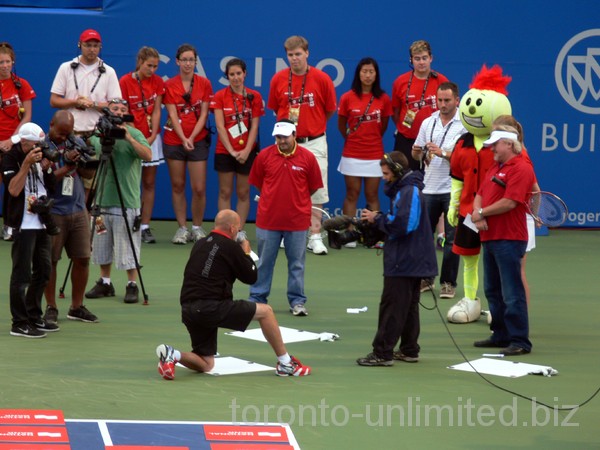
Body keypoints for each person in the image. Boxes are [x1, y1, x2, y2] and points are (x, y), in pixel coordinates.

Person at [155, 209, 311, 379]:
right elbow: (251, 277)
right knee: (266, 312)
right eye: (238, 228)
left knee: (207, 364)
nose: (238, 232)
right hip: (210, 307)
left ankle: (173, 355)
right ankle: (286, 364)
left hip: (188, 310)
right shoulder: (230, 246)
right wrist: (246, 253)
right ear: (231, 228)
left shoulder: (200, 244)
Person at [445, 64, 512, 324]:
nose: (472, 111)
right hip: (467, 213)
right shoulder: (462, 143)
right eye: (469, 104)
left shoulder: (504, 146)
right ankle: (471, 300)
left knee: (495, 262)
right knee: (468, 258)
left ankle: (498, 306)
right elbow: (457, 179)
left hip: (495, 215)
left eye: (478, 105)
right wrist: (453, 206)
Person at [357, 151, 437, 366]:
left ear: (398, 171)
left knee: (392, 306)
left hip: (405, 259)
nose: (383, 177)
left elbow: (403, 225)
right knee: (408, 307)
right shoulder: (407, 189)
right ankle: (409, 350)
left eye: (385, 173)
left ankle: (382, 353)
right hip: (412, 258)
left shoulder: (408, 191)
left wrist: (377, 218)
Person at [268, 35, 336, 255]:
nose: (294, 59)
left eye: (298, 54)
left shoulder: (322, 78)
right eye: (290, 55)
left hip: (314, 140)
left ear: (307, 53)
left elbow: (329, 110)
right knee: (284, 189)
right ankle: (284, 234)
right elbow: (274, 109)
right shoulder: (278, 79)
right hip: (286, 143)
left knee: (316, 189)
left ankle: (314, 236)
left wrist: (312, 125)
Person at [248, 120, 323, 316]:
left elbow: (313, 186)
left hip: (297, 222)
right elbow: (258, 182)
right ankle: (257, 298)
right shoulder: (264, 156)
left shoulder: (307, 158)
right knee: (264, 262)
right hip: (268, 220)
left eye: (285, 137)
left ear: (294, 135)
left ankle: (297, 302)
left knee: (297, 264)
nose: (281, 141)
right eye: (278, 137)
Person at [471, 127, 535, 356]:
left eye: (495, 144)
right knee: (492, 290)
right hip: (489, 237)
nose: (492, 149)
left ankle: (520, 341)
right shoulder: (494, 167)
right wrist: (478, 216)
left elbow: (510, 202)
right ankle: (500, 335)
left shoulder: (521, 168)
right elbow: (479, 194)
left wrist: (482, 212)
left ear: (509, 144)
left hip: (509, 238)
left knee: (512, 291)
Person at [84, 98, 151, 304]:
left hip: (127, 200)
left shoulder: (136, 134)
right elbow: (88, 149)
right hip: (103, 198)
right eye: (115, 109)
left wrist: (129, 137)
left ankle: (132, 284)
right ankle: (105, 282)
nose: (119, 113)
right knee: (102, 243)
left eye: (123, 110)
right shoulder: (99, 134)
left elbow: (147, 155)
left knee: (127, 245)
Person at [49, 29, 121, 197]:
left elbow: (116, 105)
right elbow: (54, 101)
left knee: (91, 183)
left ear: (100, 47)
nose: (92, 49)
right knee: (67, 179)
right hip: (69, 135)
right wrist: (75, 102)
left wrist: (92, 104)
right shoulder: (66, 68)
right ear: (80, 45)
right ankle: (66, 216)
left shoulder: (108, 71)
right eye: (88, 45)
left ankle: (86, 218)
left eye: (96, 46)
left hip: (94, 135)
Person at [43, 110, 98, 325]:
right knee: (51, 261)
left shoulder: (76, 142)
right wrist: (65, 166)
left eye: (69, 134)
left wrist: (79, 163)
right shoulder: (42, 146)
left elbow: (89, 174)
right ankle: (51, 306)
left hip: (78, 209)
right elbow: (47, 181)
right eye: (61, 133)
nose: (65, 138)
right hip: (54, 211)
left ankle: (76, 306)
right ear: (51, 124)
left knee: (83, 258)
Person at [2, 123, 57, 338]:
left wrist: (48, 167)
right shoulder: (10, 157)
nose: (39, 148)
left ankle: (34, 315)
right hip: (23, 223)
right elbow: (14, 190)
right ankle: (19, 322)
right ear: (24, 142)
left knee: (44, 271)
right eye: (35, 145)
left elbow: (52, 186)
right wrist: (25, 164)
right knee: (21, 275)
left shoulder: (40, 155)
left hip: (41, 221)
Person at [411, 82, 465, 299]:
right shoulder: (427, 122)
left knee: (452, 240)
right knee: (424, 237)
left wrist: (442, 152)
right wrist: (417, 152)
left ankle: (448, 283)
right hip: (429, 186)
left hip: (453, 188)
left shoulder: (465, 124)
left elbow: (464, 158)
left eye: (447, 100)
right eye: (439, 100)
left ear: (457, 101)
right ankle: (425, 278)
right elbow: (417, 156)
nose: (442, 104)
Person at [337, 57, 391, 247]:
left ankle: (373, 234)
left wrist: (370, 139)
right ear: (358, 74)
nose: (367, 75)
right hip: (352, 153)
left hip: (375, 154)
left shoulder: (383, 98)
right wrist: (354, 140)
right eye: (364, 71)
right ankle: (349, 233)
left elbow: (383, 126)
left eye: (371, 72)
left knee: (372, 195)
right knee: (352, 193)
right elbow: (342, 124)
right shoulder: (347, 97)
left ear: (376, 75)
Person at [163, 43, 213, 244]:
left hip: (198, 140)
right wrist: (183, 138)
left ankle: (197, 227)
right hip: (174, 141)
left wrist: (191, 137)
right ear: (177, 61)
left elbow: (204, 114)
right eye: (184, 59)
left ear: (195, 61)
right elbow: (172, 115)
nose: (188, 63)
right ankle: (182, 228)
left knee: (199, 187)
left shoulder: (204, 84)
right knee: (177, 185)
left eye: (191, 60)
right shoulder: (169, 85)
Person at [210, 58, 264, 239]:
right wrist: (232, 151)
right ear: (227, 76)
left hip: (247, 151)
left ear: (245, 74)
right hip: (225, 151)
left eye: (238, 74)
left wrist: (247, 150)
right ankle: (224, 231)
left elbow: (255, 126)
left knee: (243, 192)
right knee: (225, 191)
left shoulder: (254, 97)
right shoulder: (219, 96)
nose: (235, 78)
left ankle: (239, 231)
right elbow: (220, 126)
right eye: (231, 74)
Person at [491, 115, 540, 305]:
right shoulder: (503, 158)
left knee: (517, 273)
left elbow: (536, 190)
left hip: (520, 221)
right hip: (509, 221)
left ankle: (521, 317)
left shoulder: (522, 159)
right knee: (506, 274)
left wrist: (534, 214)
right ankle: (507, 315)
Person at [119, 46, 165, 244]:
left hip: (151, 138)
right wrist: (134, 135)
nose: (152, 70)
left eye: (155, 66)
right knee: (129, 181)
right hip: (130, 136)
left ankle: (144, 225)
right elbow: (123, 109)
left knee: (149, 182)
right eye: (149, 65)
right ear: (139, 62)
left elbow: (156, 110)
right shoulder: (125, 81)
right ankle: (127, 222)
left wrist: (153, 134)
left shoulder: (158, 82)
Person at [391, 40, 449, 172]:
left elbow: (449, 110)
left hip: (434, 141)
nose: (421, 62)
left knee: (431, 180)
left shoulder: (442, 81)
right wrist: (406, 128)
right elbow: (395, 112)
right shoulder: (400, 82)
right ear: (411, 60)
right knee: (403, 179)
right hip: (406, 140)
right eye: (417, 59)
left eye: (424, 58)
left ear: (431, 58)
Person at [0, 42, 36, 241]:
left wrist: (10, 140)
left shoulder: (22, 85)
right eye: (1, 62)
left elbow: (27, 116)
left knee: (12, 185)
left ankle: (10, 226)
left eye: (7, 62)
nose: (4, 66)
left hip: (13, 143)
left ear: (13, 62)